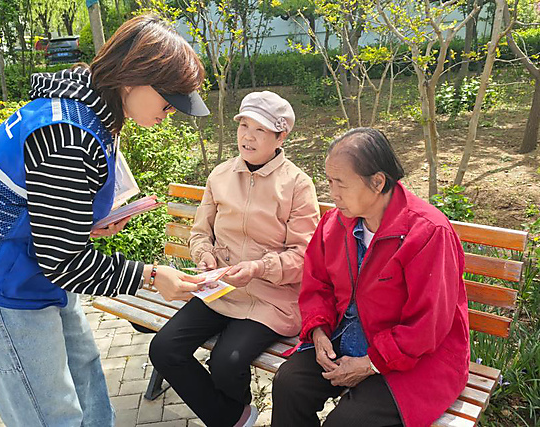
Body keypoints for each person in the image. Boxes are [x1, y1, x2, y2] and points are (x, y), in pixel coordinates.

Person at [0, 14, 209, 427]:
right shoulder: (67, 134)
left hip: (29, 259)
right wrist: (152, 277)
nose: (171, 111)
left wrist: (81, 223)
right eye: (168, 99)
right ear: (132, 78)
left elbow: (47, 215)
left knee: (84, 371)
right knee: (49, 410)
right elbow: (62, 260)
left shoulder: (88, 108)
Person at [271, 128, 470, 427]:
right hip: (343, 338)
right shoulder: (335, 223)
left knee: (347, 422)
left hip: (413, 357)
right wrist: (319, 331)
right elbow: (317, 284)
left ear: (377, 182)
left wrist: (370, 363)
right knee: (289, 384)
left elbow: (428, 326)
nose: (332, 194)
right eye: (329, 182)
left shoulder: (428, 232)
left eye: (341, 183)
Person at [149, 91, 320, 427]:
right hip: (221, 290)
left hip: (271, 299)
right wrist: (204, 255)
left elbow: (304, 256)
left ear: (281, 136)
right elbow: (200, 232)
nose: (248, 136)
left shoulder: (297, 185)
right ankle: (236, 418)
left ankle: (231, 418)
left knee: (227, 361)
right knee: (164, 348)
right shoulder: (221, 175)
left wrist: (258, 268)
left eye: (260, 129)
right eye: (244, 126)